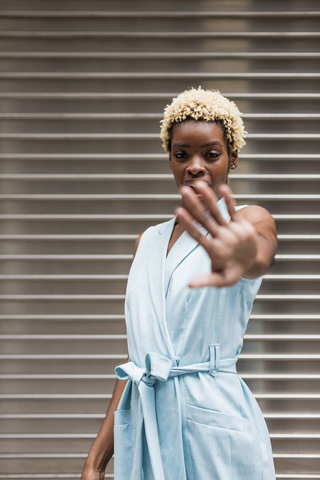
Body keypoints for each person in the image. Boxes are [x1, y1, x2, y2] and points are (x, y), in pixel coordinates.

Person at [81, 87, 277, 480]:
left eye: (211, 153)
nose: (195, 166)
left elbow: (260, 253)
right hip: (146, 426)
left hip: (215, 426)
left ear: (232, 158)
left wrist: (245, 255)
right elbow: (140, 360)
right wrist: (95, 462)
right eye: (182, 154)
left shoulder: (248, 221)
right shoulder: (147, 242)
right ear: (170, 160)